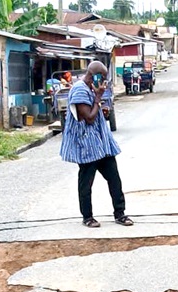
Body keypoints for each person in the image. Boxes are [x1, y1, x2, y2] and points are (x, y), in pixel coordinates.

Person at [60, 61, 133, 228]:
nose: (105, 83)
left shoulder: (89, 88)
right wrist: (98, 98)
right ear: (96, 76)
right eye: (103, 78)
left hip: (102, 145)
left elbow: (94, 112)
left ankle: (120, 213)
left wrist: (100, 107)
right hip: (87, 145)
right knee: (86, 182)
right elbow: (89, 117)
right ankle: (87, 217)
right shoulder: (79, 89)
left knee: (114, 178)